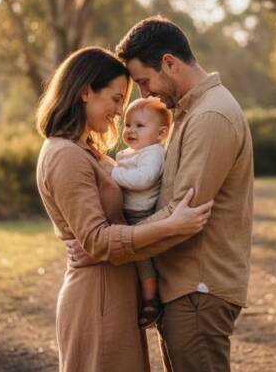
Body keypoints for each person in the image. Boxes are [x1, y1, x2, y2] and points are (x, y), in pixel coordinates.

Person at [67, 16, 255, 372]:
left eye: (143, 81)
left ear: (169, 63)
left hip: (199, 289)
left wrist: (107, 249)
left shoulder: (211, 116)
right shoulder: (190, 111)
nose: (144, 95)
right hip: (185, 288)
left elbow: (182, 216)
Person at [34, 46, 213, 372]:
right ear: (86, 91)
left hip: (112, 294)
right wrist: (172, 226)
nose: (120, 111)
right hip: (96, 300)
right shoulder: (65, 155)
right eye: (116, 99)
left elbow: (101, 236)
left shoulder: (86, 150)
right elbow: (96, 240)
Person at [101, 96, 172, 328]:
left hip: (141, 215)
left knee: (143, 259)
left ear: (161, 134)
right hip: (127, 213)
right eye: (128, 124)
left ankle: (152, 300)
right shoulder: (130, 153)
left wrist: (113, 174)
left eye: (140, 126)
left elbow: (143, 180)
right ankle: (141, 295)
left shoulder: (154, 153)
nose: (131, 130)